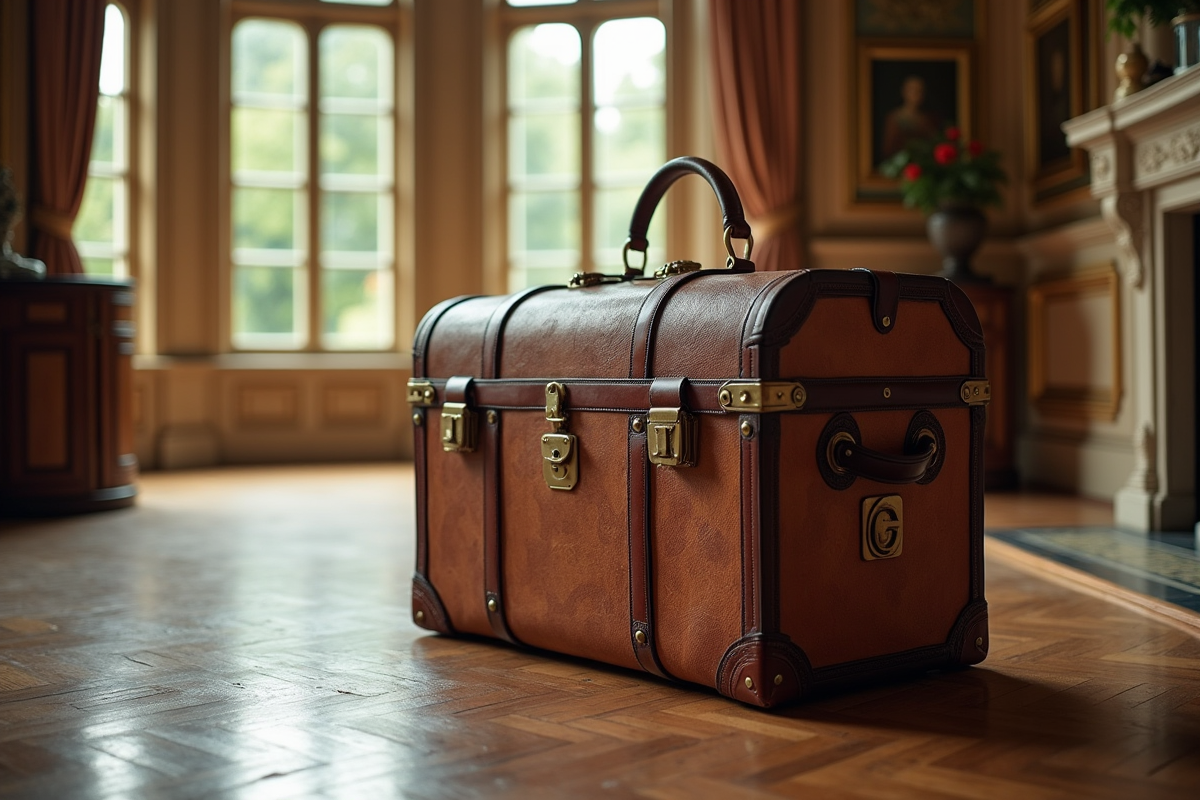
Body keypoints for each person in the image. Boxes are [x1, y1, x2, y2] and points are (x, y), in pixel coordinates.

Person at [881, 75, 941, 161]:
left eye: (920, 91)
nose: (916, 94)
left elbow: (934, 144)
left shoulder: (928, 119)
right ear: (904, 92)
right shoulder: (894, 117)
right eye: (912, 90)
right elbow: (888, 149)